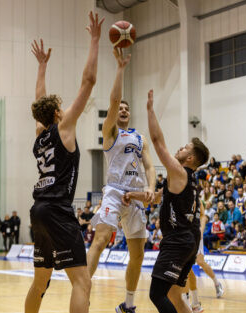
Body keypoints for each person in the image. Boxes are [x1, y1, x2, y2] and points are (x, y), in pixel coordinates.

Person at [25, 12, 103, 313]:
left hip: (38, 210)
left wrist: (42, 68)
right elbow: (89, 80)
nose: (64, 107)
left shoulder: (39, 134)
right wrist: (95, 40)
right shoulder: (64, 127)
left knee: (40, 282)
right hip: (57, 209)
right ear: (58, 114)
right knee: (82, 282)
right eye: (60, 106)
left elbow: (39, 102)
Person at [123, 90, 209, 313]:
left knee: (156, 294)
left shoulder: (180, 172)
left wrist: (150, 111)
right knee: (174, 295)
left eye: (185, 148)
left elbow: (158, 142)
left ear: (190, 158)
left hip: (178, 241)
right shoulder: (185, 180)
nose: (180, 148)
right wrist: (133, 195)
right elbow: (157, 198)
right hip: (188, 240)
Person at [86, 48, 156, 313]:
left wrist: (150, 187)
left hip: (136, 196)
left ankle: (128, 303)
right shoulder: (110, 132)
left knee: (137, 254)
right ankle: (83, 287)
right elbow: (114, 100)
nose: (123, 109)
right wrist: (120, 68)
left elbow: (149, 165)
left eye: (127, 108)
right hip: (115, 192)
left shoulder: (140, 138)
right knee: (101, 239)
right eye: (120, 108)